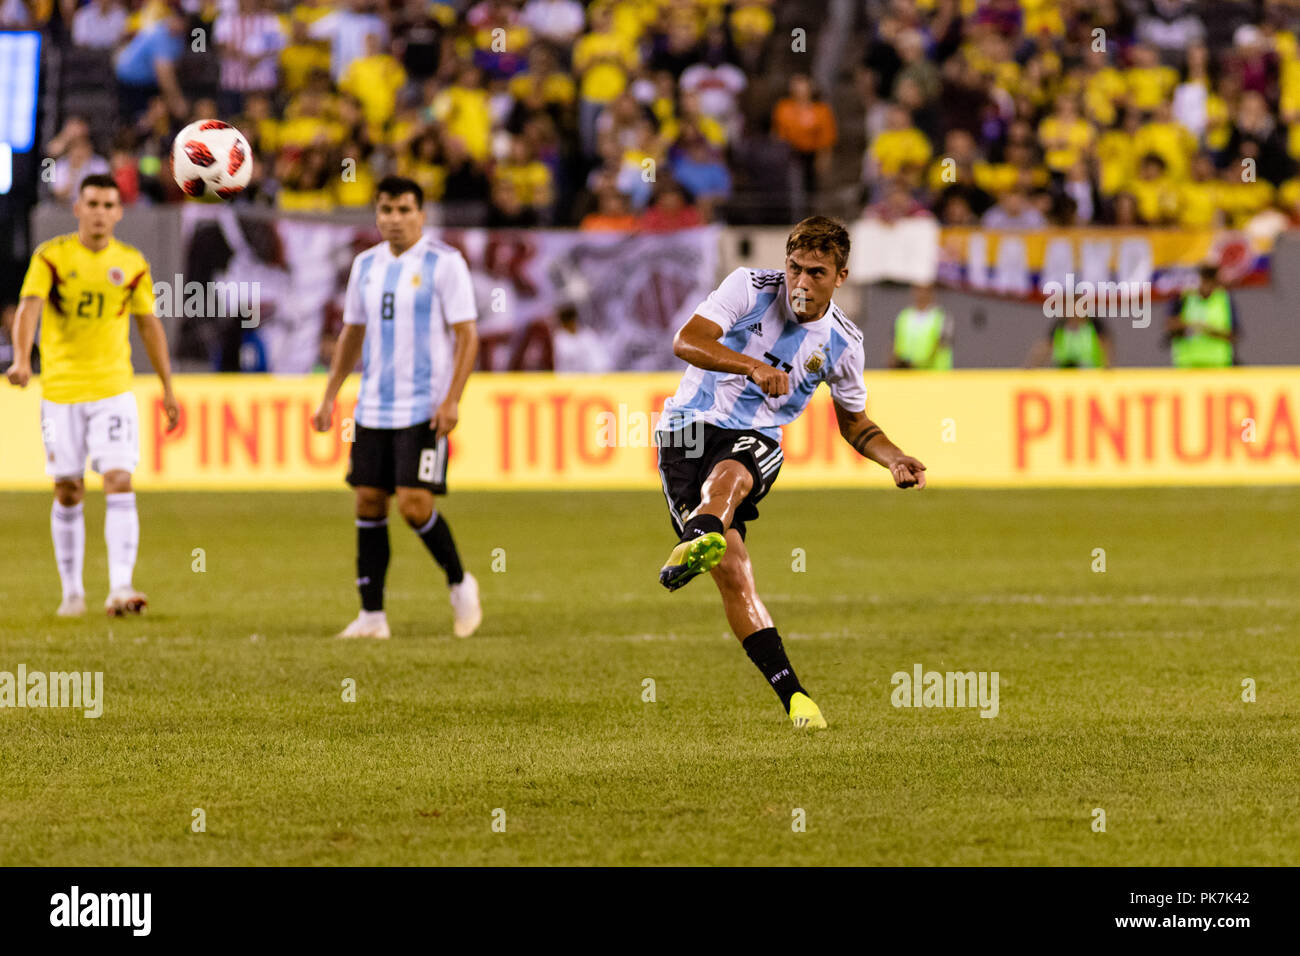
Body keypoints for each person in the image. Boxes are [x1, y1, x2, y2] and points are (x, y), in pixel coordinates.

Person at [653, 217, 927, 730]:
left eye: (816, 273)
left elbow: (855, 423)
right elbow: (686, 340)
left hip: (757, 437)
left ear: (841, 276)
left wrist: (894, 458)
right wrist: (750, 367)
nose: (801, 283)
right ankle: (792, 691)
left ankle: (702, 533)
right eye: (795, 268)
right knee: (734, 574)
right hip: (685, 431)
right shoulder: (748, 287)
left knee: (734, 470)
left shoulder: (844, 344)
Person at [312, 176, 482, 640]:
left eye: (405, 210)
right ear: (376, 214)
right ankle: (372, 616)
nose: (394, 219)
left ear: (421, 215)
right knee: (368, 500)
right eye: (386, 210)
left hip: (423, 406)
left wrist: (452, 399)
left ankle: (459, 581)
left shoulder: (444, 263)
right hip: (372, 408)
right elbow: (352, 334)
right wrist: (330, 395)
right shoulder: (365, 265)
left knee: (413, 504)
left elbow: (467, 334)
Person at [6, 174, 181, 617]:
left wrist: (168, 386)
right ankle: (72, 592)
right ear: (78, 209)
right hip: (61, 391)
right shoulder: (53, 257)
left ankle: (121, 587)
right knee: (68, 489)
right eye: (93, 204)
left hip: (113, 389)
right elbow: (29, 307)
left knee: (120, 479)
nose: (100, 212)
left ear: (118, 212)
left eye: (108, 205)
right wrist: (23, 359)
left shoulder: (132, 262)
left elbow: (149, 325)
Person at [1167, 264, 1238, 367]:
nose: (1207, 286)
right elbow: (1171, 325)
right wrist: (1191, 325)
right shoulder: (1184, 297)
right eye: (1204, 280)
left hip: (1218, 365)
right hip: (1187, 365)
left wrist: (1208, 329)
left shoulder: (1224, 299)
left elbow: (1234, 334)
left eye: (1211, 281)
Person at [891, 283, 953, 369]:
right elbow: (895, 345)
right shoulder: (903, 316)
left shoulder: (941, 317)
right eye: (918, 290)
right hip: (907, 376)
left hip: (934, 376)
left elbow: (940, 346)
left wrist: (915, 365)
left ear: (932, 292)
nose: (921, 294)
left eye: (925, 290)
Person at [1025, 314, 1112, 368]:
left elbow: (1105, 347)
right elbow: (1044, 349)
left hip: (1090, 377)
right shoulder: (1060, 326)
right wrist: (1030, 370)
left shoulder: (1094, 326)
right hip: (1064, 377)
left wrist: (1108, 371)